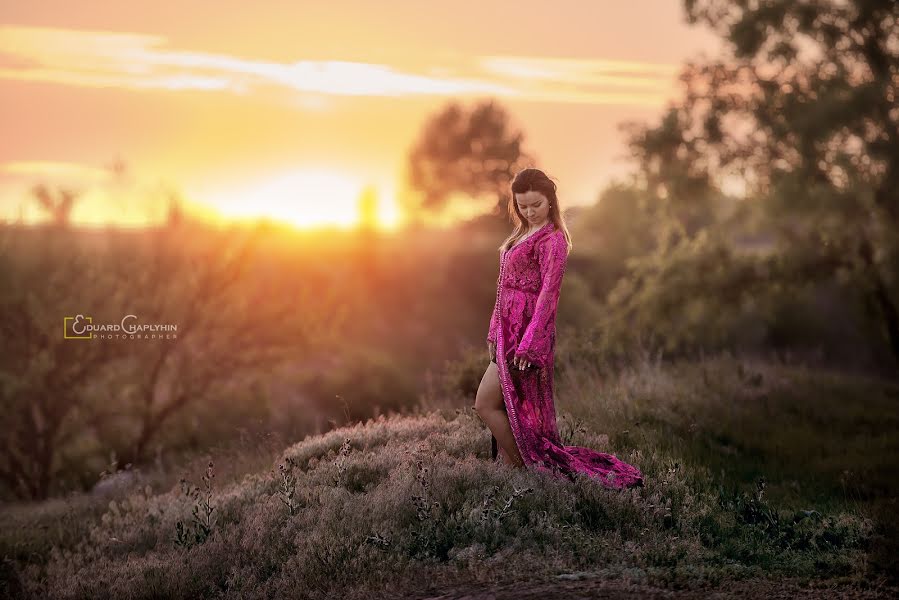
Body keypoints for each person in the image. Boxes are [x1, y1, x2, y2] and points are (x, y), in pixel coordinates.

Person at [473, 168, 644, 489]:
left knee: (485, 403)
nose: (529, 211)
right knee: (508, 409)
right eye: (522, 206)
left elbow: (549, 294)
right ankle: (514, 475)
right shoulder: (519, 234)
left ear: (550, 201)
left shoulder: (553, 240)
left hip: (527, 335)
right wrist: (494, 330)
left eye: (535, 204)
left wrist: (530, 344)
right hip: (506, 332)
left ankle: (529, 471)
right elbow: (503, 288)